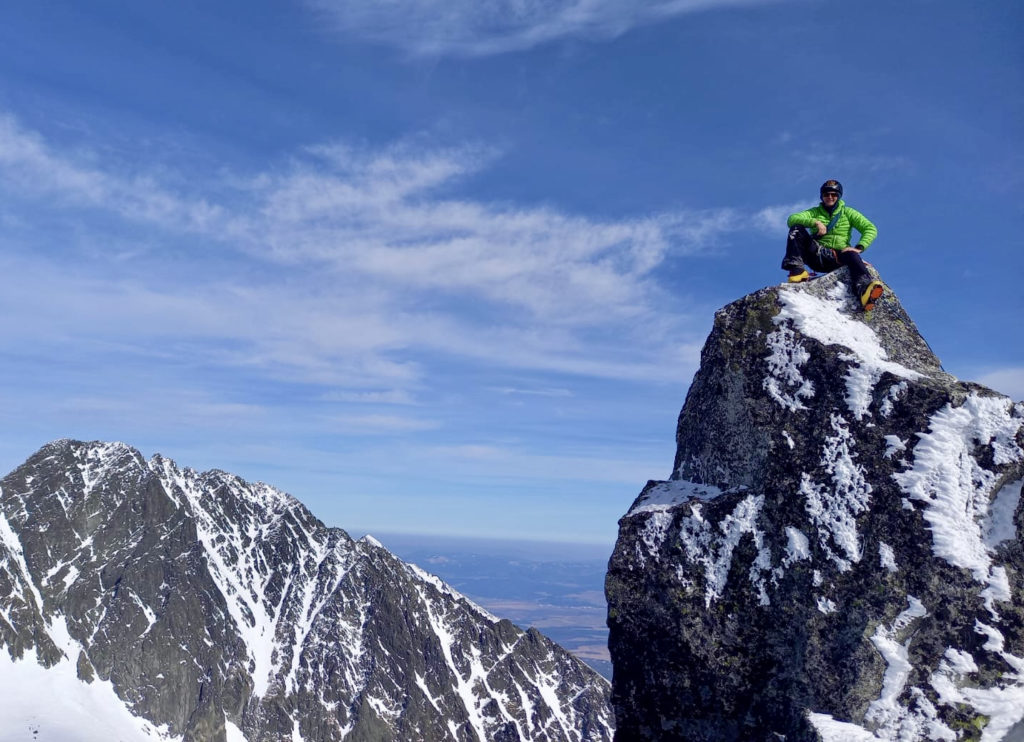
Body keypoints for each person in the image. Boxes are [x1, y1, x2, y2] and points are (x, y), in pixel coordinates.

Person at [782, 179, 884, 311]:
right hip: (817, 254)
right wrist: (815, 222)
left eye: (834, 194)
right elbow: (791, 219)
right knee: (796, 229)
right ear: (822, 196)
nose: (830, 197)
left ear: (839, 196)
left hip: (838, 256)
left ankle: (864, 290)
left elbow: (870, 228)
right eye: (826, 194)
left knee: (851, 254)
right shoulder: (815, 212)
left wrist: (859, 247)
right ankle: (797, 272)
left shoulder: (848, 213)